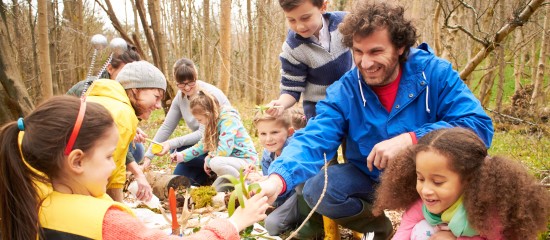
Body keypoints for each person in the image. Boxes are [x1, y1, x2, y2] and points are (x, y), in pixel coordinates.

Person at [257, 1, 494, 239]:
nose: (366, 63)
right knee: (319, 189)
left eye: (376, 52)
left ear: (400, 47)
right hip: (372, 178)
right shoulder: (345, 90)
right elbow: (315, 137)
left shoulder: (434, 73)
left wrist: (412, 139)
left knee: (488, 178)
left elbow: (478, 125)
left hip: (433, 178)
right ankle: (378, 227)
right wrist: (278, 179)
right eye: (358, 52)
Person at [0, 96, 270, 240]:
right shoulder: (106, 222)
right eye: (109, 156)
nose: (115, 166)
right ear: (77, 161)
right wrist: (235, 222)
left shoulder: (30, 203)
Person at [372, 128, 550, 239]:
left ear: (468, 180)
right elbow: (406, 228)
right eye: (420, 178)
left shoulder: (488, 213)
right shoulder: (423, 205)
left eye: (438, 182)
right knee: (420, 229)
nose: (425, 190)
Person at [85, 60, 167, 203]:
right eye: (156, 97)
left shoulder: (107, 101)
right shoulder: (122, 114)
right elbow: (105, 173)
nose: (159, 105)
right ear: (136, 89)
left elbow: (117, 165)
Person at [142, 58, 230, 186]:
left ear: (196, 77)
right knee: (178, 180)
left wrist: (170, 143)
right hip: (202, 148)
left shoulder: (209, 95)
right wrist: (149, 156)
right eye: (182, 84)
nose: (187, 87)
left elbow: (202, 133)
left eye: (191, 82)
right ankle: (208, 174)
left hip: (221, 147)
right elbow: (167, 127)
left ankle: (216, 168)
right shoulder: (180, 97)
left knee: (176, 150)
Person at [66, 43, 147, 176]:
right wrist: (137, 172)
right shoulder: (91, 88)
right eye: (125, 72)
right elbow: (102, 132)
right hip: (77, 143)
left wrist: (132, 131)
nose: (130, 78)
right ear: (110, 68)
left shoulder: (126, 92)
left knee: (138, 150)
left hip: (101, 141)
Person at [265, 0, 353, 120]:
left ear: (323, 6)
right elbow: (291, 88)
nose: (299, 26)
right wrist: (281, 103)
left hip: (353, 99)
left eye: (305, 18)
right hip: (320, 109)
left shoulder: (345, 22)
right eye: (291, 20)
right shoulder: (293, 48)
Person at [171, 91, 257, 191]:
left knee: (215, 162)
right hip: (230, 165)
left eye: (199, 119)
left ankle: (245, 185)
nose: (199, 122)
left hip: (246, 162)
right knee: (214, 192)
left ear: (208, 114)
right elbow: (202, 145)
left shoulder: (228, 119)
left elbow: (225, 150)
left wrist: (208, 159)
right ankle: (235, 185)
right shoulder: (211, 124)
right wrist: (181, 156)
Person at [251, 108, 306, 236]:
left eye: (274, 132)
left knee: (271, 225)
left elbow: (298, 187)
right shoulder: (267, 154)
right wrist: (261, 179)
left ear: (290, 132)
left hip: (299, 197)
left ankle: (306, 222)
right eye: (263, 134)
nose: (268, 139)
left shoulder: (295, 150)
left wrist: (269, 180)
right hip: (281, 196)